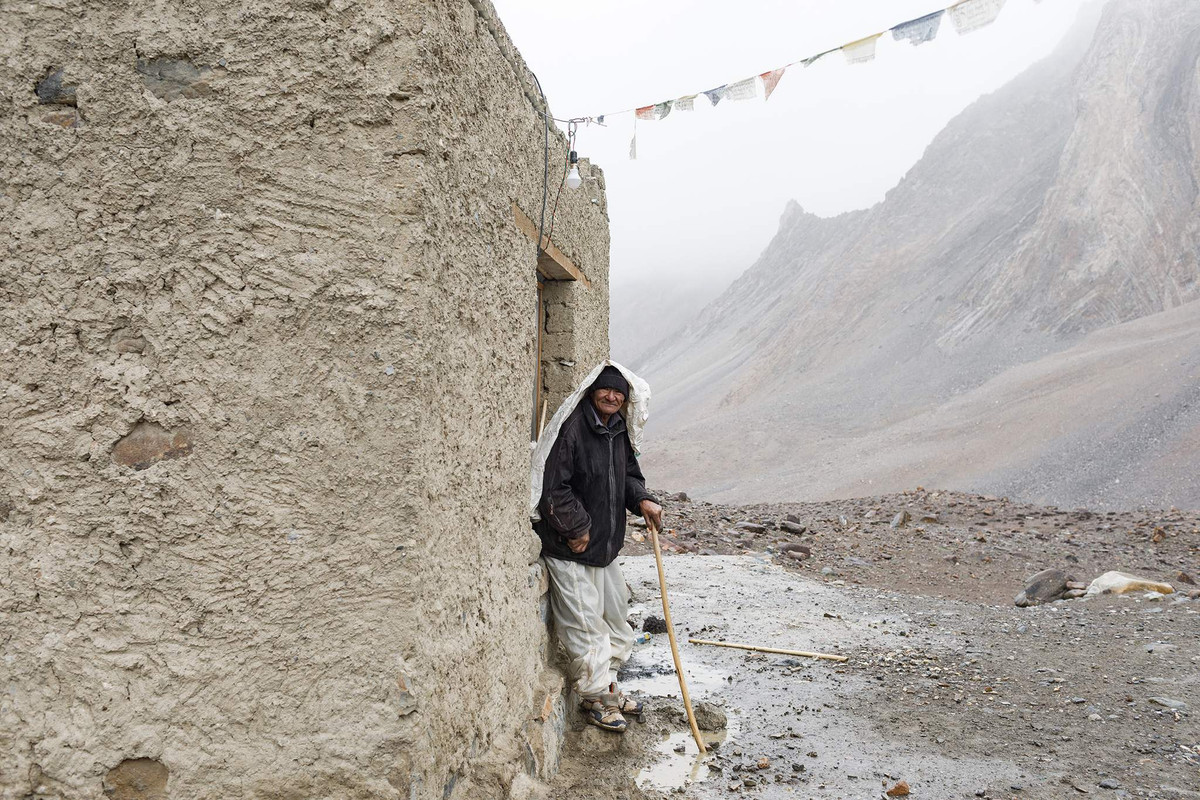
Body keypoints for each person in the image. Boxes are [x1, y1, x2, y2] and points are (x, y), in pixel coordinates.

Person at [534, 365, 663, 733]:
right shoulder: (574, 429)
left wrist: (643, 500)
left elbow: (628, 478)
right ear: (594, 392)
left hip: (603, 548)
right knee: (585, 625)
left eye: (619, 393)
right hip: (570, 548)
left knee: (616, 622)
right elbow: (554, 488)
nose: (612, 397)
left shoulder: (617, 430)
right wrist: (576, 529)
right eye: (606, 391)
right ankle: (594, 698)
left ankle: (609, 686)